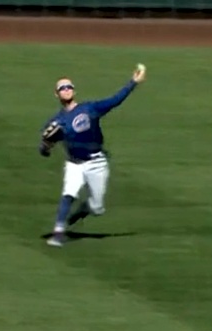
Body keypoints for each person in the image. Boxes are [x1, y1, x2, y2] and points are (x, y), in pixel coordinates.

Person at [38, 66, 146, 247]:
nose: (66, 90)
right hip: (74, 163)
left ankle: (85, 208)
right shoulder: (55, 122)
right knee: (68, 193)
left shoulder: (89, 109)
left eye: (69, 87)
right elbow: (44, 151)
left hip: (97, 162)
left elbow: (114, 101)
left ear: (74, 91)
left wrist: (133, 83)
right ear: (56, 94)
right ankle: (58, 232)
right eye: (62, 88)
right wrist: (46, 145)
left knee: (97, 208)